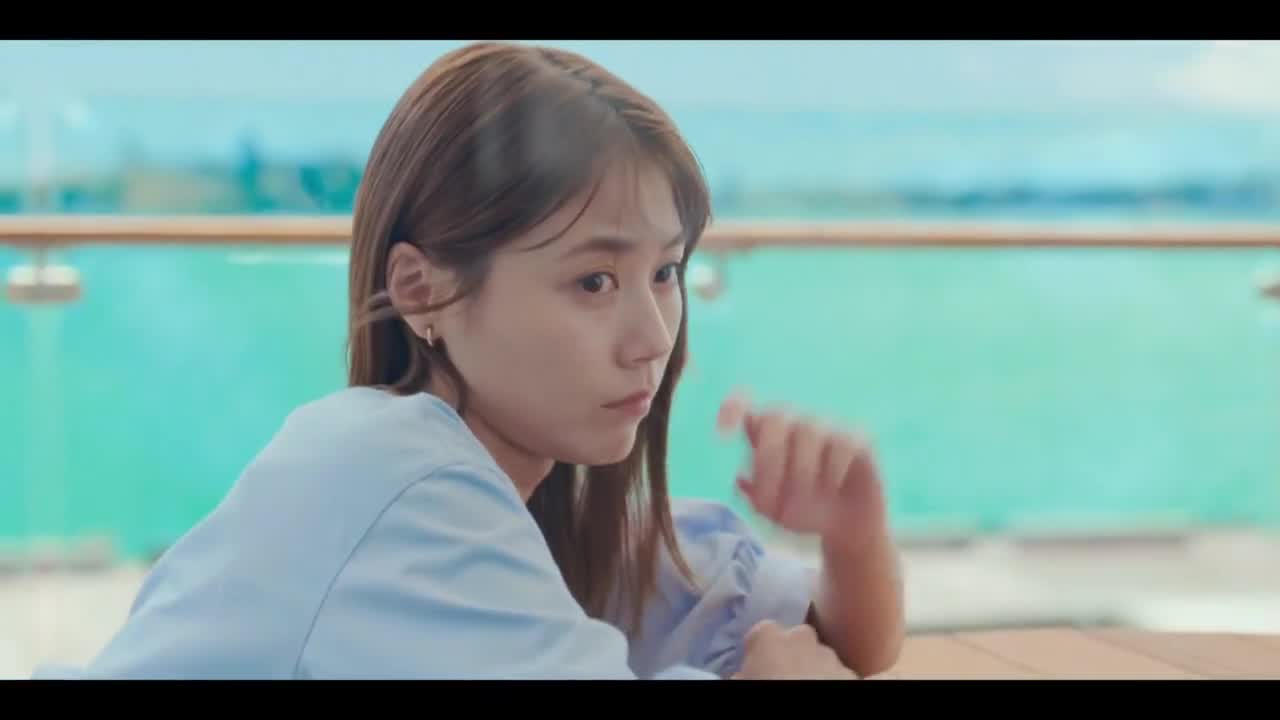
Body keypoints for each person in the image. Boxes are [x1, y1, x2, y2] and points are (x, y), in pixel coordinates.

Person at [34, 41, 904, 680]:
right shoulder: (398, 482)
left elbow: (834, 640)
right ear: (424, 291)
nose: (653, 336)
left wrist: (853, 538)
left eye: (666, 272)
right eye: (594, 281)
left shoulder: (539, 513)